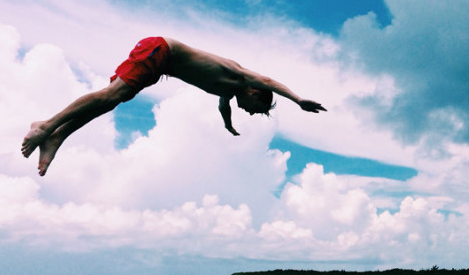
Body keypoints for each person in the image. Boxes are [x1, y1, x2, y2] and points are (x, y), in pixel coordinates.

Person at [21, 36, 327, 176]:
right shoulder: (239, 75)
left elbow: (225, 107)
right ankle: (46, 126)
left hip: (160, 65)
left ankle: (57, 137)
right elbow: (270, 80)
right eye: (255, 109)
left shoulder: (229, 92)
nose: (250, 112)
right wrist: (298, 100)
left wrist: (228, 125)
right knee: (109, 96)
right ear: (255, 92)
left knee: (110, 102)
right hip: (160, 51)